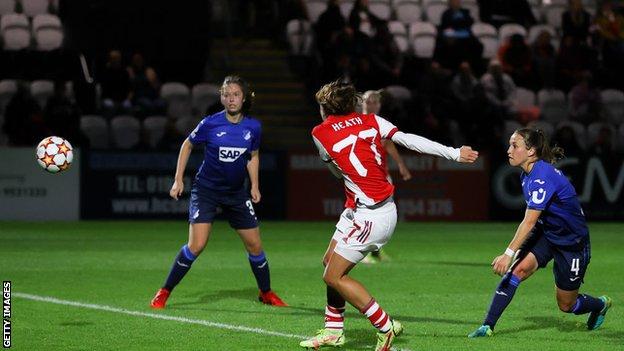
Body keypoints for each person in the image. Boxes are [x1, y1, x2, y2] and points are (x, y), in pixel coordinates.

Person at [300, 81, 478, 350]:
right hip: (371, 209)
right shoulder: (372, 120)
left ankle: (384, 325)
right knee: (329, 263)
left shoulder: (319, 132)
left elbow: (337, 171)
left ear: (326, 109)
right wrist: (453, 153)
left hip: (369, 216)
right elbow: (408, 139)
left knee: (333, 276)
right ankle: (333, 330)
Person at [150, 75, 287, 309]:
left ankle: (266, 293)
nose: (231, 99)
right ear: (221, 98)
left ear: (243, 98)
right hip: (206, 191)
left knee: (255, 245)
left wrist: (254, 185)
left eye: (235, 94)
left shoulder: (253, 127)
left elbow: (252, 156)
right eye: (226, 94)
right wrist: (178, 180)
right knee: (197, 245)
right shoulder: (210, 123)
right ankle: (164, 291)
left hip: (236, 193)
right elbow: (187, 145)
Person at [468, 128, 612, 338]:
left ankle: (599, 304)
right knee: (517, 271)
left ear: (531, 151)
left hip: (572, 243)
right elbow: (535, 221)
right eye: (509, 145)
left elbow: (529, 220)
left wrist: (508, 253)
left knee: (566, 305)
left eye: (514, 146)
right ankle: (487, 326)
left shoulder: (541, 177)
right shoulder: (527, 174)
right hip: (547, 234)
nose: (509, 150)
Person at [360, 90, 411, 264]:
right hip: (364, 178)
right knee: (366, 215)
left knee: (382, 215)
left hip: (382, 176)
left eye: (375, 101)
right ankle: (364, 251)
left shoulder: (381, 124)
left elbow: (388, 143)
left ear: (380, 105)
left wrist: (401, 165)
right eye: (368, 100)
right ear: (362, 103)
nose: (371, 104)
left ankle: (376, 250)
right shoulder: (357, 123)